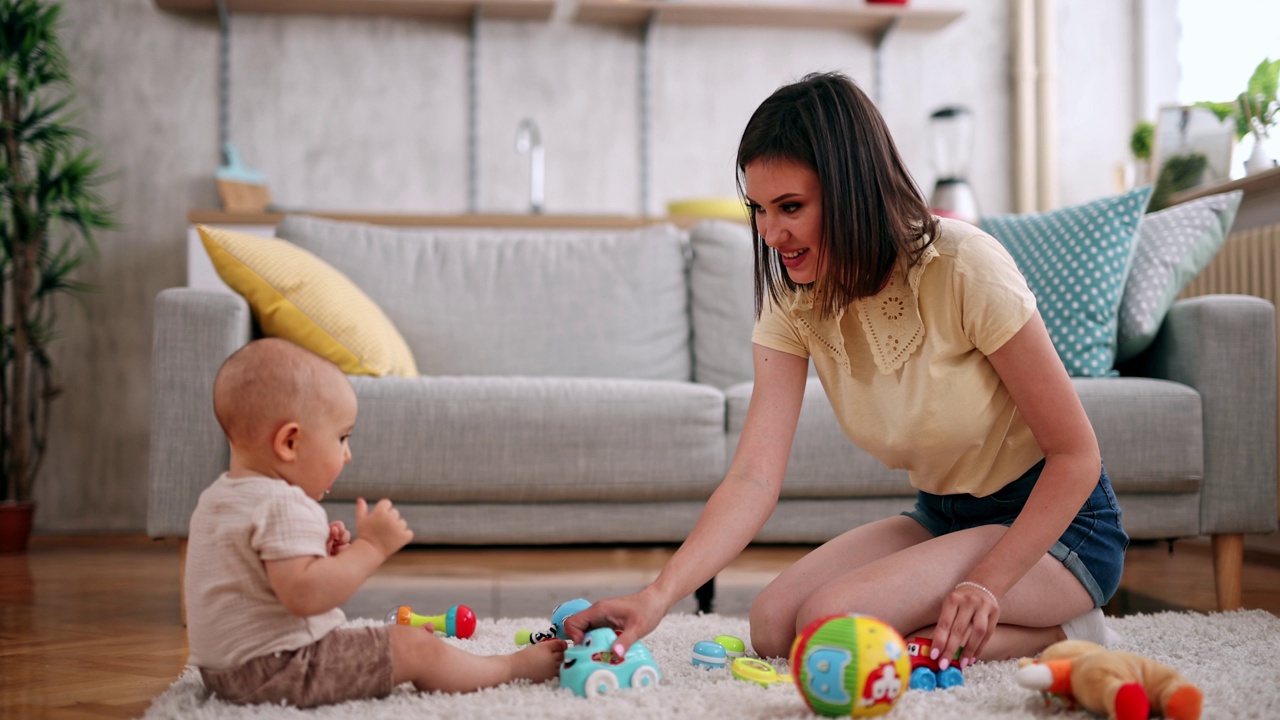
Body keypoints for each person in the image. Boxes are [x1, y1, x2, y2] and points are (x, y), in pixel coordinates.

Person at [566, 71, 1128, 671]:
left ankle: (1068, 626)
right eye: (757, 208)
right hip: (944, 516)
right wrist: (656, 596)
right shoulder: (795, 300)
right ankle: (958, 616)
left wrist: (986, 583)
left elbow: (1076, 455)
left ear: (852, 188)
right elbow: (755, 477)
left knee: (828, 623)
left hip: (1058, 530)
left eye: (790, 207)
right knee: (774, 625)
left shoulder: (963, 266)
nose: (769, 233)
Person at [184, 337, 566, 708]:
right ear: (290, 443)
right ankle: (509, 665)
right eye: (342, 438)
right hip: (281, 669)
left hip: (223, 672)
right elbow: (304, 596)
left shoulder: (217, 498)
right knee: (413, 647)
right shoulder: (283, 503)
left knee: (388, 638)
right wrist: (372, 547)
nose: (348, 455)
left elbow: (257, 584)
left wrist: (319, 556)